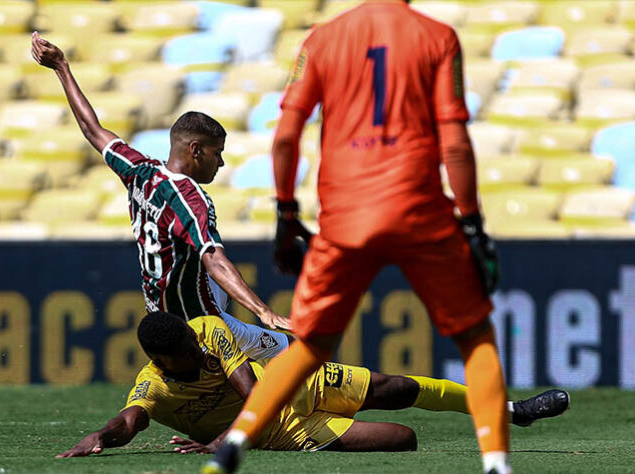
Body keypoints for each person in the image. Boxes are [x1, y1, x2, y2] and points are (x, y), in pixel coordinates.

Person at [207, 2, 522, 473]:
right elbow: (454, 140)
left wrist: (286, 212)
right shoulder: (437, 36)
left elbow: (287, 136)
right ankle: (496, 462)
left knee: (312, 345)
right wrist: (472, 221)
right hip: (421, 211)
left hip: (345, 216)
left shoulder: (322, 39)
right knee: (475, 337)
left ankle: (236, 443)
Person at [30, 32, 290, 361]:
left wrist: (61, 67)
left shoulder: (141, 171)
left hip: (161, 318)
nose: (221, 162)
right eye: (217, 153)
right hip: (201, 326)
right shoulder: (190, 198)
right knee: (291, 354)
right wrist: (262, 311)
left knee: (199, 273)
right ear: (196, 150)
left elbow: (92, 129)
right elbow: (214, 260)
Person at [56, 312, 569, 458]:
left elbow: (254, 395)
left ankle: (509, 411)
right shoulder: (155, 387)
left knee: (396, 386)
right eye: (186, 352)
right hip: (289, 432)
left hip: (295, 385)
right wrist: (103, 435)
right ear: (162, 359)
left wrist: (220, 441)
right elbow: (131, 418)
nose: (197, 348)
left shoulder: (207, 332)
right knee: (403, 440)